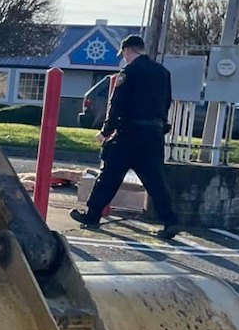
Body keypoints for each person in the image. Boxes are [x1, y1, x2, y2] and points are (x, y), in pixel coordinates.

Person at [70, 34, 179, 240]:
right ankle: (170, 221)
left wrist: (105, 131)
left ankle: (92, 215)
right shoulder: (162, 72)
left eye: (124, 54)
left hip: (129, 134)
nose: (124, 58)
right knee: (155, 181)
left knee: (109, 176)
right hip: (153, 135)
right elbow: (167, 102)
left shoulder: (128, 73)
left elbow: (117, 105)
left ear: (128, 51)